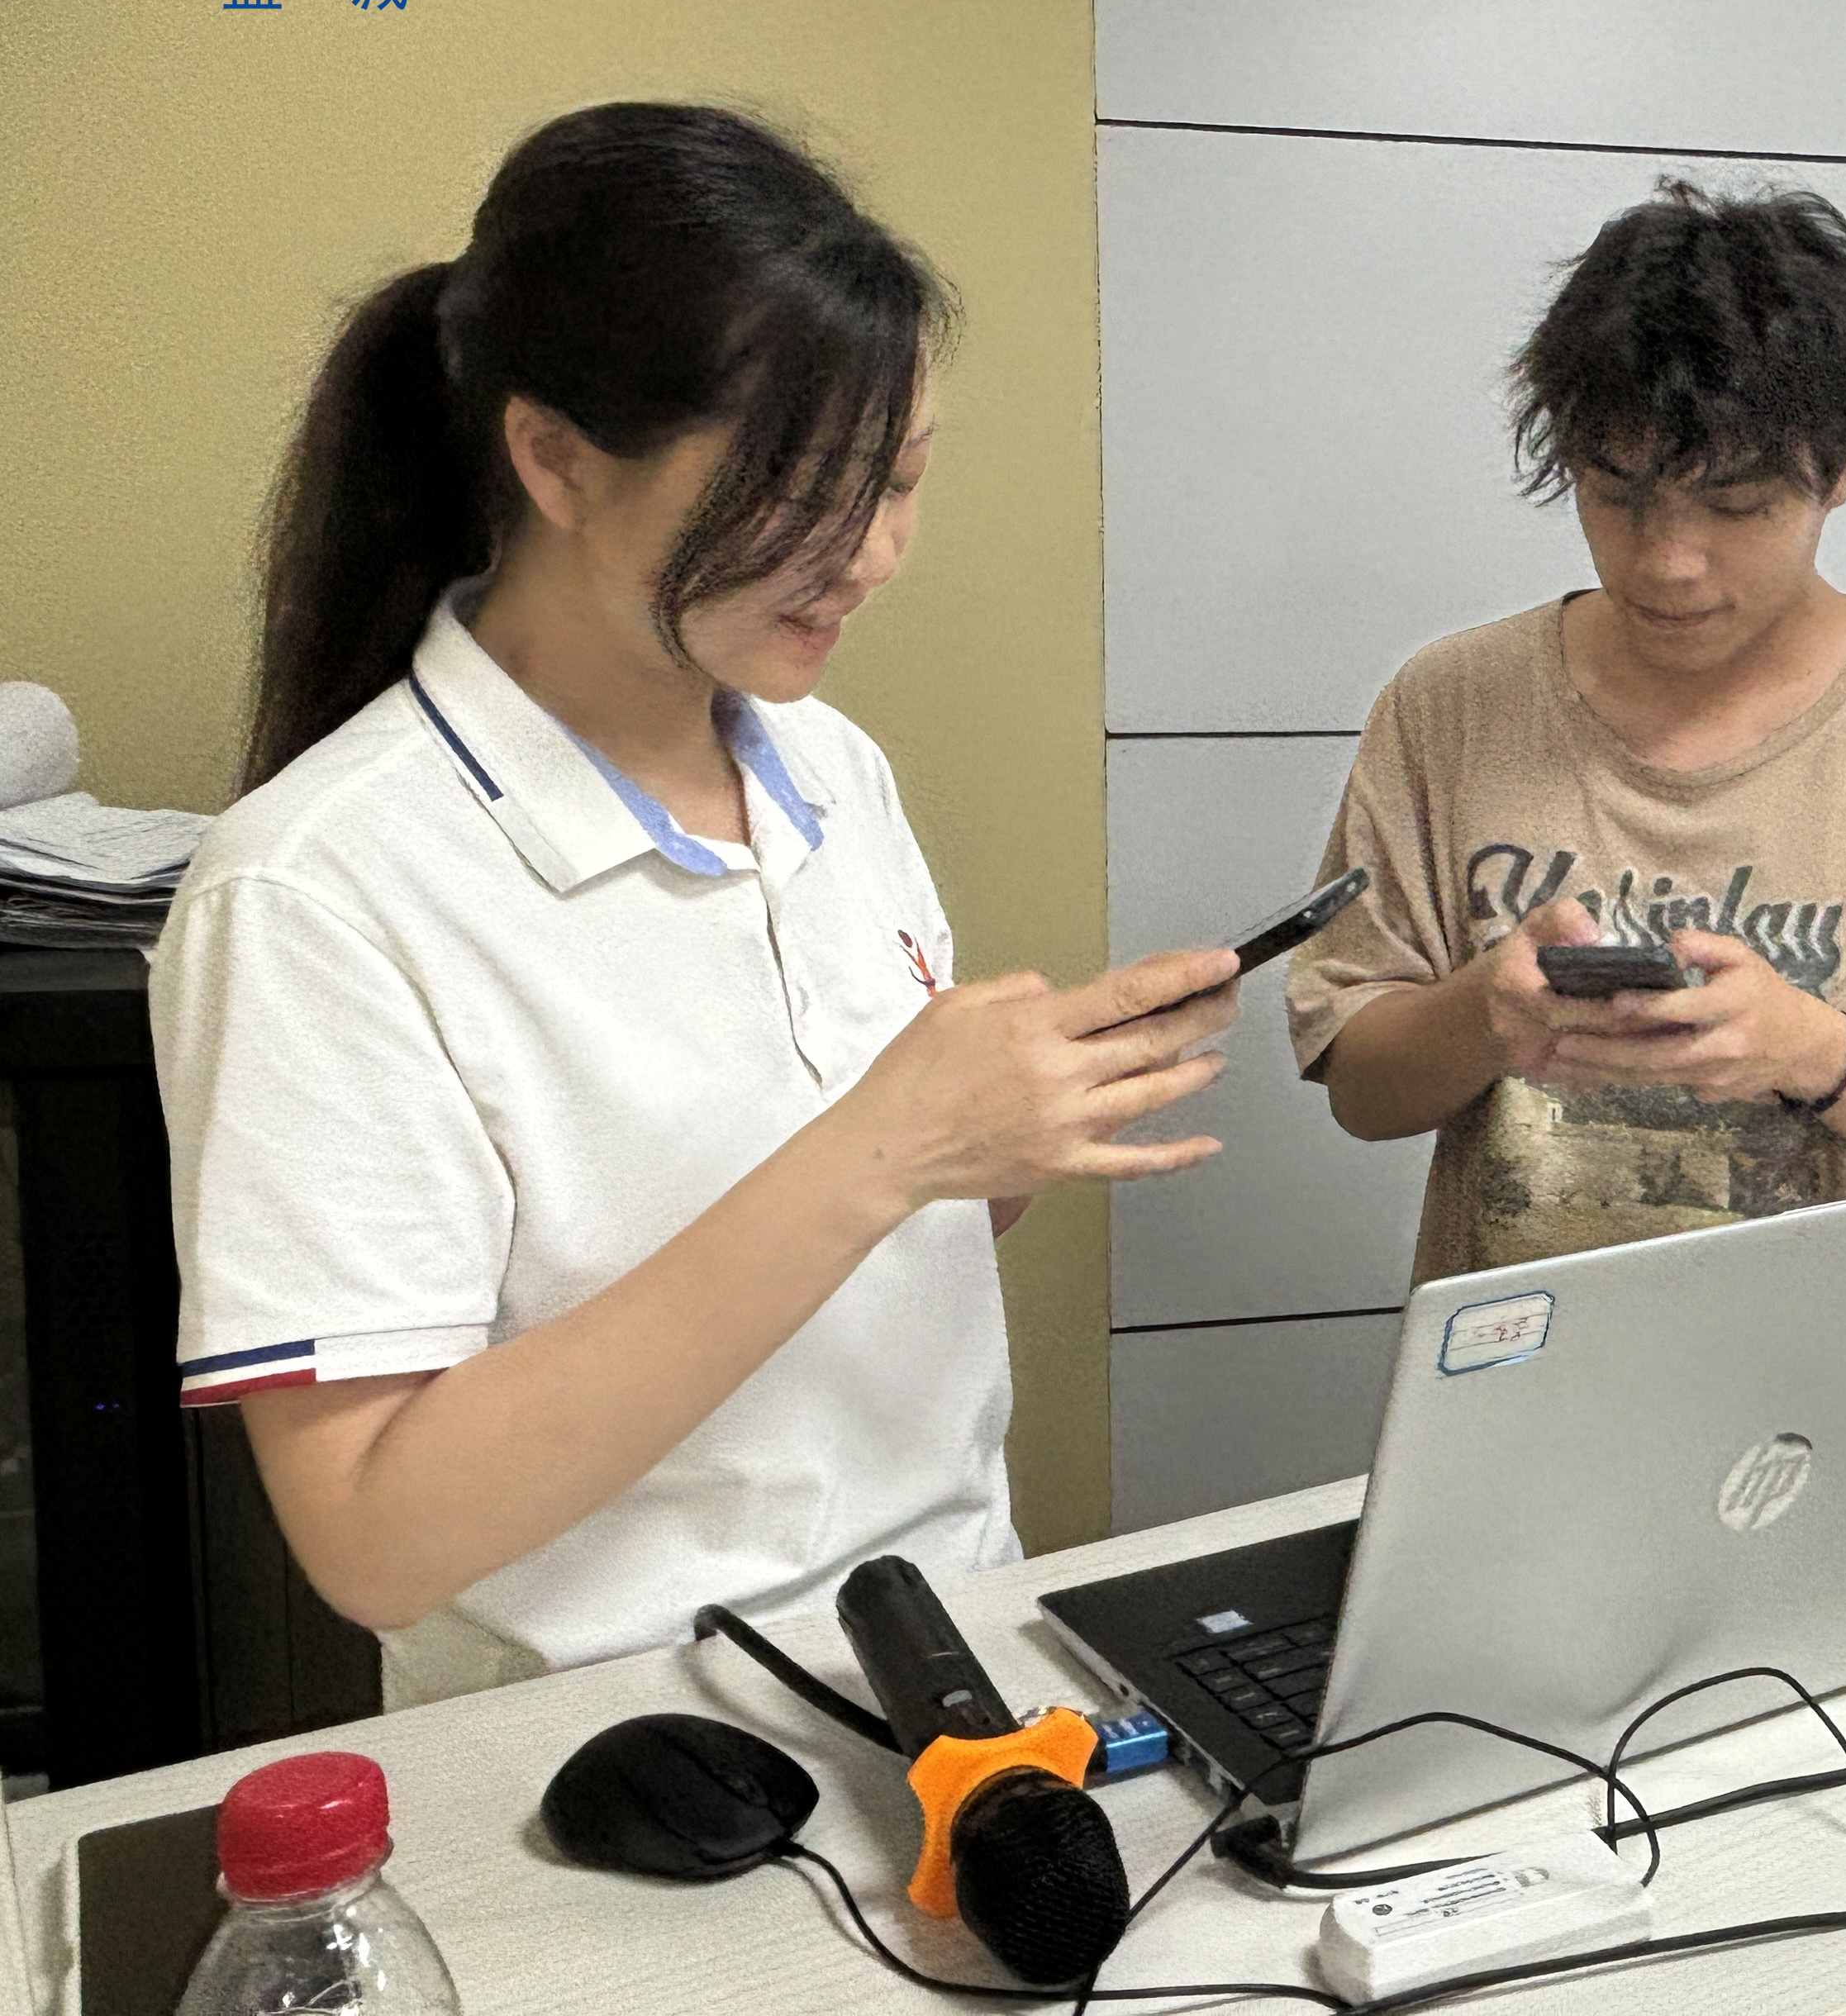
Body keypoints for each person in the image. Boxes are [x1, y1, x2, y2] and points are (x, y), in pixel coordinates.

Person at [155, 103, 1239, 1705]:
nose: (871, 556)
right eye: (803, 491)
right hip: (620, 1742)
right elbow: (375, 1536)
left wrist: (997, 1139)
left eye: (902, 482)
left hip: (960, 1649)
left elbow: (849, 1235)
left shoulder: (830, 769)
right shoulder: (314, 890)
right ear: (555, 460)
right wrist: (891, 1146)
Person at [1286, 180, 1846, 1283]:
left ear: (1841, 471)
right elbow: (1362, 1095)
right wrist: (1488, 1014)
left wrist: (1808, 1050)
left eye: (1737, 506)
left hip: (1845, 1361)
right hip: (1528, 1359)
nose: (1668, 562)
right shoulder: (1449, 706)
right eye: (1617, 496)